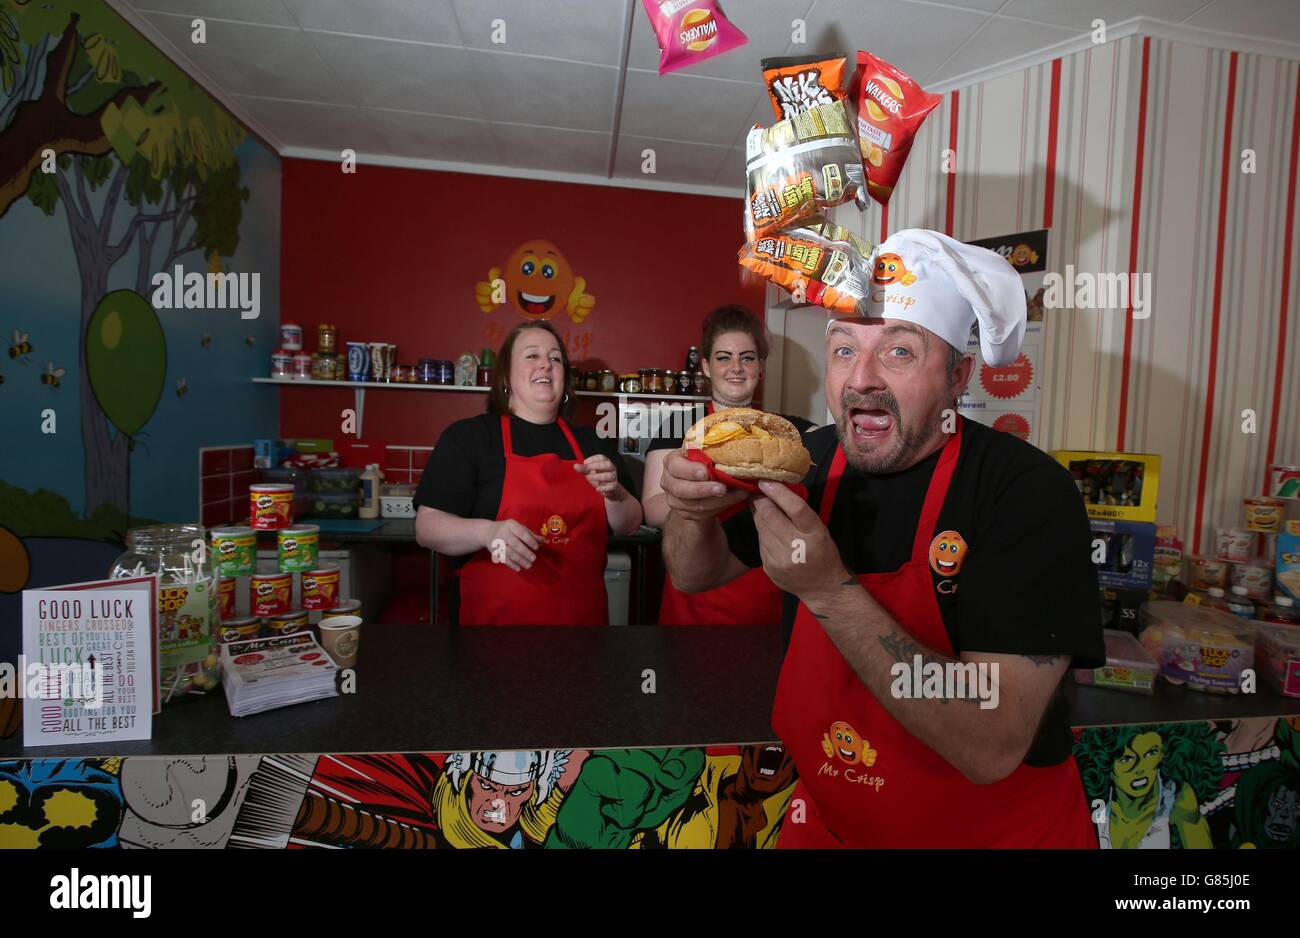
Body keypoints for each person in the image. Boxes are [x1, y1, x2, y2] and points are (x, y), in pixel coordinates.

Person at [659, 229, 1104, 847]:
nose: (860, 380)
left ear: (959, 376)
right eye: (843, 350)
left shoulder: (1026, 493)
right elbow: (693, 574)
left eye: (898, 352)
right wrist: (689, 510)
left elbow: (992, 742)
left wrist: (828, 592)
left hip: (989, 836)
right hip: (829, 824)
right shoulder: (805, 458)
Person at [414, 321, 642, 625]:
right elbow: (427, 528)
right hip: (491, 639)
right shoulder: (470, 438)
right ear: (506, 375)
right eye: (532, 356)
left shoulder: (592, 442)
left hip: (583, 636)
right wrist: (488, 533)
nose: (546, 364)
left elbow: (630, 523)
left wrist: (615, 494)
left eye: (555, 358)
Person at [641, 305, 813, 625]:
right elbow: (651, 507)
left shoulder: (786, 433)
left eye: (747, 357)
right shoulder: (680, 428)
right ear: (706, 366)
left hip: (768, 595)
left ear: (760, 367)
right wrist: (702, 498)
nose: (736, 367)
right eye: (723, 357)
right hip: (695, 590)